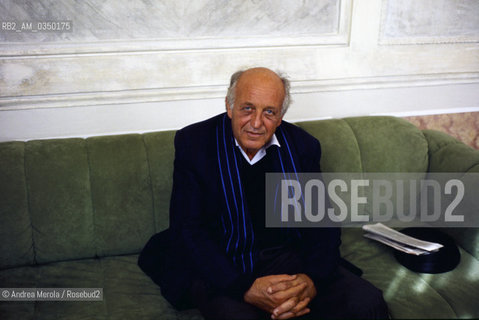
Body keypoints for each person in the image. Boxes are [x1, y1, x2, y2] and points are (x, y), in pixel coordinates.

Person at [139, 67, 389, 319]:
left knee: (367, 303)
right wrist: (244, 288)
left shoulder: (303, 146)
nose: (257, 123)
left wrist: (310, 281)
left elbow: (323, 222)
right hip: (222, 263)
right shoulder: (194, 143)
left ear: (280, 116)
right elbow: (188, 230)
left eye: (269, 112)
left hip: (287, 258)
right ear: (229, 106)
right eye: (247, 108)